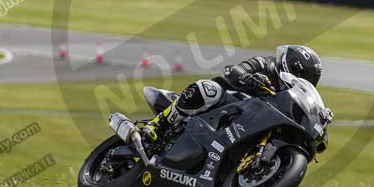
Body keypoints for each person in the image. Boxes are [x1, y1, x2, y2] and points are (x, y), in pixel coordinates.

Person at [141, 44, 330, 152]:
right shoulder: (265, 64)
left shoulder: (291, 98)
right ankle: (159, 124)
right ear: (291, 66)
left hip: (248, 125)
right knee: (209, 89)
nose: (305, 81)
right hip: (224, 104)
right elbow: (232, 70)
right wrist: (248, 77)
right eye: (303, 74)